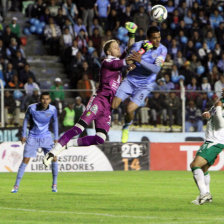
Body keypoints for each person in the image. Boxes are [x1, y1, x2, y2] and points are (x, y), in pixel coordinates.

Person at [43, 38, 130, 167]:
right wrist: (143, 49)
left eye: (119, 46)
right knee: (79, 128)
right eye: (115, 47)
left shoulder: (117, 63)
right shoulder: (107, 61)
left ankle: (70, 143)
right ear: (108, 51)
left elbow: (129, 52)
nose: (118, 48)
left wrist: (132, 35)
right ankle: (52, 152)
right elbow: (125, 60)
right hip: (99, 100)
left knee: (100, 138)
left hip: (107, 107)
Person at [112, 25, 167, 143]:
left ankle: (126, 127)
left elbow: (156, 70)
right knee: (114, 105)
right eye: (154, 38)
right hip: (130, 80)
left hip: (145, 85)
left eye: (159, 37)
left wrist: (140, 60)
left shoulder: (162, 50)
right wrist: (132, 37)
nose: (158, 40)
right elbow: (129, 55)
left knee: (129, 109)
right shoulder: (139, 45)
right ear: (148, 38)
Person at [11, 92, 59, 193]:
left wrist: (56, 136)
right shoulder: (32, 108)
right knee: (25, 160)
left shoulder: (53, 109)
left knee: (54, 158)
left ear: (50, 100)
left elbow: (55, 122)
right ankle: (16, 186)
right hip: (33, 137)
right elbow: (25, 121)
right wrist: (24, 135)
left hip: (46, 137)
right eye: (43, 99)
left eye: (47, 99)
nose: (45, 101)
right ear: (39, 99)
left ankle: (54, 184)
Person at [190, 93, 224, 205]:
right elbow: (212, 114)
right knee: (203, 169)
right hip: (212, 140)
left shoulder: (220, 105)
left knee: (195, 165)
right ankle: (207, 195)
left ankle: (204, 194)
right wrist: (208, 114)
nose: (222, 89)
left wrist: (218, 108)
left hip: (215, 141)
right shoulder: (219, 103)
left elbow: (220, 125)